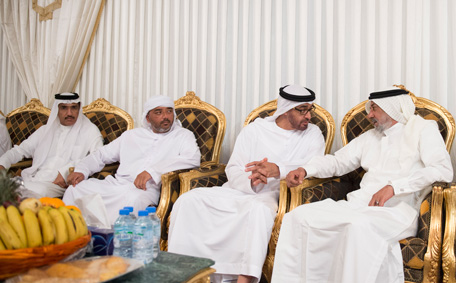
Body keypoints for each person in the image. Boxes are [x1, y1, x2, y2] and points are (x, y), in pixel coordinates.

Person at [271, 88, 453, 283]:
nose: (369, 115)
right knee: (298, 217)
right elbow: (337, 162)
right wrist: (305, 170)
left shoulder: (423, 129)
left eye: (374, 109)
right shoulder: (370, 137)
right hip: (359, 205)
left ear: (391, 108)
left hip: (399, 210)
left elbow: (442, 170)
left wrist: (394, 187)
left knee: (357, 226)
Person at [168, 85, 326, 283]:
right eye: (302, 110)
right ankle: (185, 274)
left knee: (259, 211)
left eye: (310, 110)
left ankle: (244, 279)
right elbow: (233, 168)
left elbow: (314, 165)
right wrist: (252, 180)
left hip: (274, 194)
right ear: (287, 109)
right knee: (188, 200)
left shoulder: (313, 134)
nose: (309, 116)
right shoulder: (255, 130)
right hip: (240, 190)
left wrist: (277, 169)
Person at [63, 95, 201, 225]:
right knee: (75, 189)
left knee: (134, 200)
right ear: (148, 118)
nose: (165, 116)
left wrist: (152, 172)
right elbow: (101, 154)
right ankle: (75, 234)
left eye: (169, 111)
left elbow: (192, 158)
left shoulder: (183, 135)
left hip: (145, 189)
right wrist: (82, 170)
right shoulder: (131, 135)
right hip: (116, 185)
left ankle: (117, 241)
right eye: (158, 112)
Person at [0, 93, 103, 198]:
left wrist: (65, 171)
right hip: (34, 179)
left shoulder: (90, 130)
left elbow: (98, 157)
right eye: (64, 108)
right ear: (57, 109)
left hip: (58, 185)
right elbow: (19, 150)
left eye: (74, 108)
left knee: (38, 191)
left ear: (79, 108)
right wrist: (2, 163)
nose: (69, 113)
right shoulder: (45, 130)